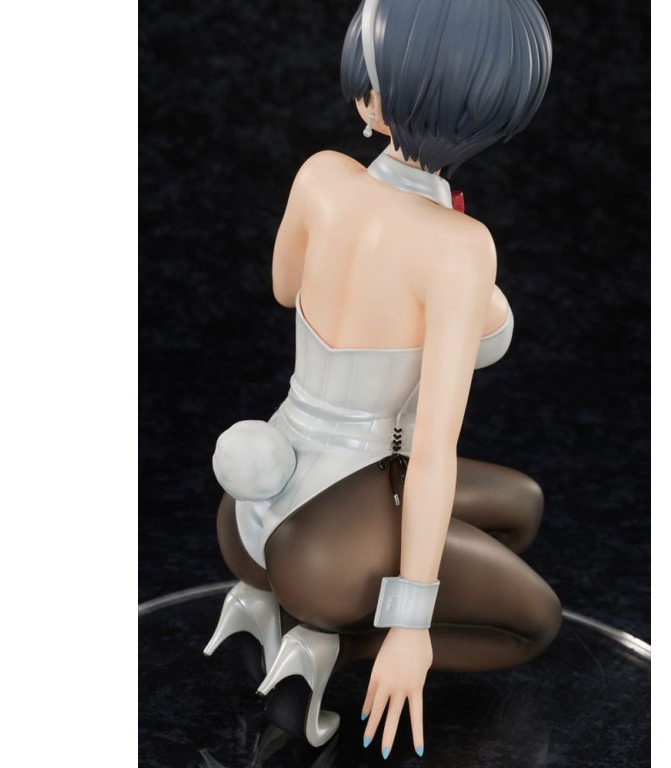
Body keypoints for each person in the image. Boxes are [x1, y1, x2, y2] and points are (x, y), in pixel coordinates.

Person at [205, 0, 560, 757]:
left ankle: (262, 602)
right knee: (534, 622)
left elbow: (285, 287)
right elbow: (430, 453)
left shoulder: (321, 175)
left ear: (374, 95)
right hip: (324, 549)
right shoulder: (460, 247)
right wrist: (409, 625)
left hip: (250, 507)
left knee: (520, 508)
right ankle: (323, 646)